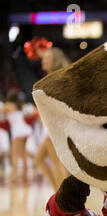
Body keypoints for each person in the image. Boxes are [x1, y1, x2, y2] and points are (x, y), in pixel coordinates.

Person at [34, 47, 70, 190]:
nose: (43, 60)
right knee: (38, 159)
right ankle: (59, 194)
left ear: (55, 61)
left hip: (57, 126)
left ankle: (63, 200)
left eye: (47, 58)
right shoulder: (51, 78)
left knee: (58, 164)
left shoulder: (58, 78)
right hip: (51, 125)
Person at [0, 89, 32, 184]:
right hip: (25, 130)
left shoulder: (9, 105)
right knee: (23, 155)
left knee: (15, 155)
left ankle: (14, 176)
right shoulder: (19, 105)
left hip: (17, 131)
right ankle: (25, 176)